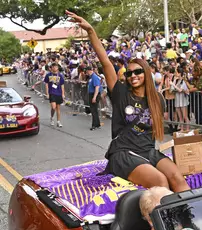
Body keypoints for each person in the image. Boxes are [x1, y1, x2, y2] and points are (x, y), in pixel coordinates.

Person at [67, 11, 189, 192]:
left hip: (148, 151)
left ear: (146, 73)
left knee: (177, 178)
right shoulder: (121, 93)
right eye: (129, 73)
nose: (133, 76)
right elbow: (106, 62)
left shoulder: (157, 99)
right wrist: (91, 31)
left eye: (137, 72)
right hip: (123, 152)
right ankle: (165, 220)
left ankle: (188, 219)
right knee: (160, 182)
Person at [44, 62, 65, 127]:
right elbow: (46, 84)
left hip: (58, 92)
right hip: (52, 92)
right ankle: (52, 117)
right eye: (54, 67)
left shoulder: (60, 75)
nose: (55, 68)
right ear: (51, 68)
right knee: (53, 107)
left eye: (56, 67)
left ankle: (58, 121)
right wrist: (47, 93)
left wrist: (63, 94)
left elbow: (62, 85)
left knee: (58, 108)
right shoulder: (48, 75)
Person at [86, 66, 101, 131]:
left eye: (87, 71)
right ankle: (97, 123)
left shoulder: (94, 77)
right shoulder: (91, 77)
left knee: (93, 110)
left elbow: (97, 87)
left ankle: (94, 124)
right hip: (91, 93)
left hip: (94, 94)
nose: (87, 73)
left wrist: (94, 97)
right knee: (94, 109)